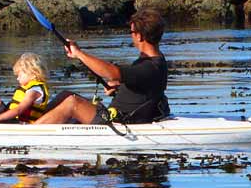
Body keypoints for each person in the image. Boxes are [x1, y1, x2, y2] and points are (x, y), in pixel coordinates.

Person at [34, 10, 169, 125]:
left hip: (119, 120)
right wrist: (119, 86)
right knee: (66, 95)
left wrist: (79, 54)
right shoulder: (152, 61)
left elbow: (113, 73)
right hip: (113, 114)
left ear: (139, 36)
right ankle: (33, 123)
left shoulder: (151, 66)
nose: (131, 35)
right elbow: (141, 82)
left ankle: (30, 133)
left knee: (72, 103)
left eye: (131, 31)